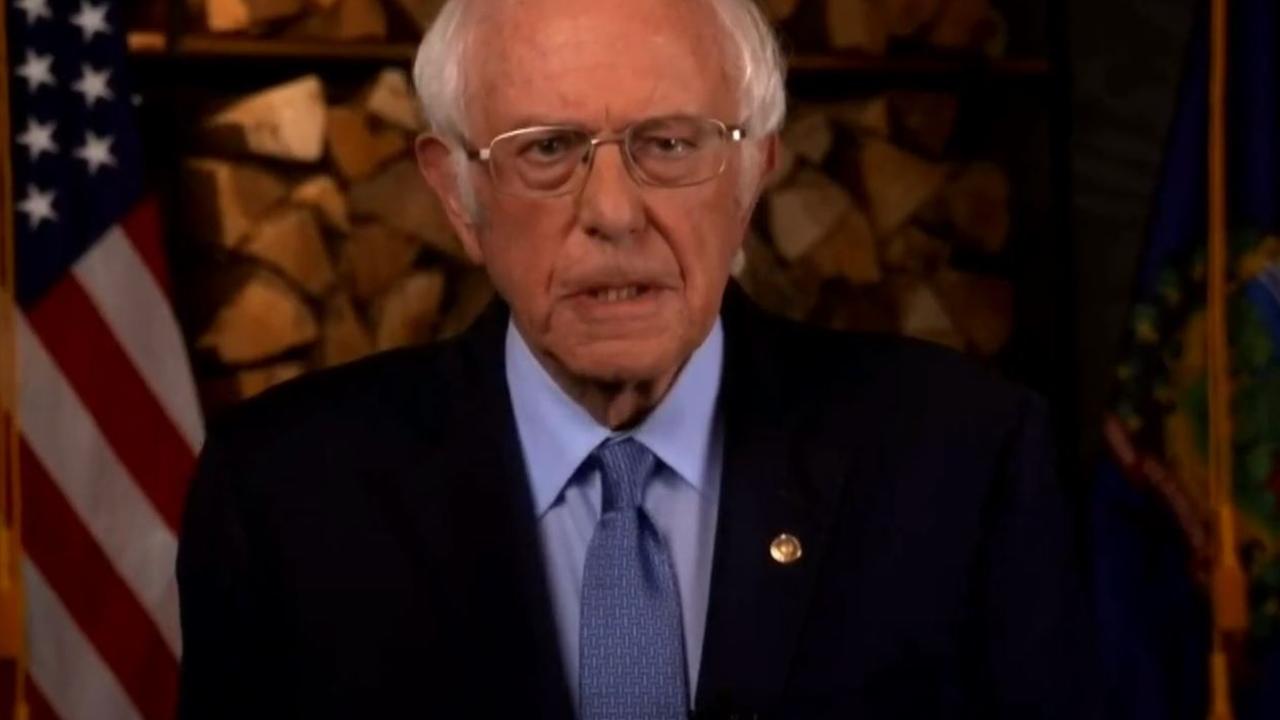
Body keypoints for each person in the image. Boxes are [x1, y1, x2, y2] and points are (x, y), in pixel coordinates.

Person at [177, 0, 1098, 717]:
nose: (613, 211)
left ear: (752, 174)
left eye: (668, 144)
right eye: (547, 149)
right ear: (456, 195)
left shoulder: (965, 460)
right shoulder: (286, 495)